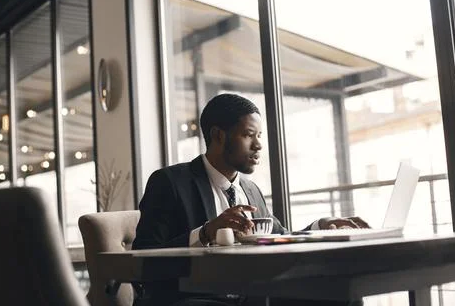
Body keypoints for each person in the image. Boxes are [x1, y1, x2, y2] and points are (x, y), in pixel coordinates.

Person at [132, 94, 366, 306]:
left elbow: (280, 237)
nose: (258, 145)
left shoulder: (251, 190)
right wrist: (205, 233)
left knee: (344, 296)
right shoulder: (170, 182)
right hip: (193, 298)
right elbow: (143, 260)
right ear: (218, 135)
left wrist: (320, 226)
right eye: (248, 135)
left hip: (252, 295)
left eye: (259, 136)